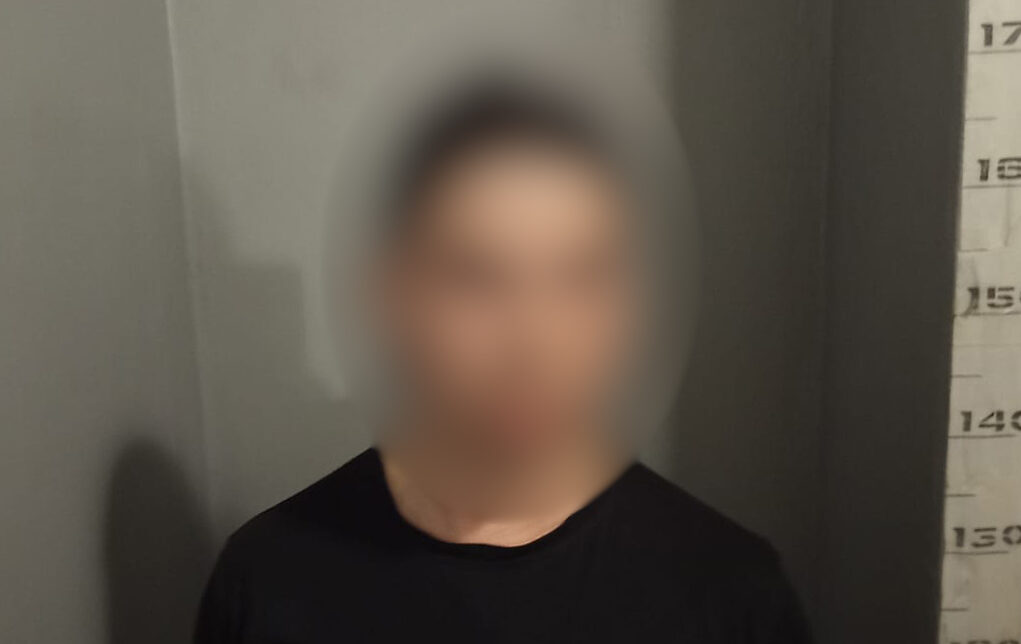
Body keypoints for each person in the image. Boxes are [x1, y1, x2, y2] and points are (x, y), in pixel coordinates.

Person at [194, 83, 810, 643]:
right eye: (477, 277)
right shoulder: (264, 583)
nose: (536, 345)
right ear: (392, 298)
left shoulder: (735, 595)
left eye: (582, 277)